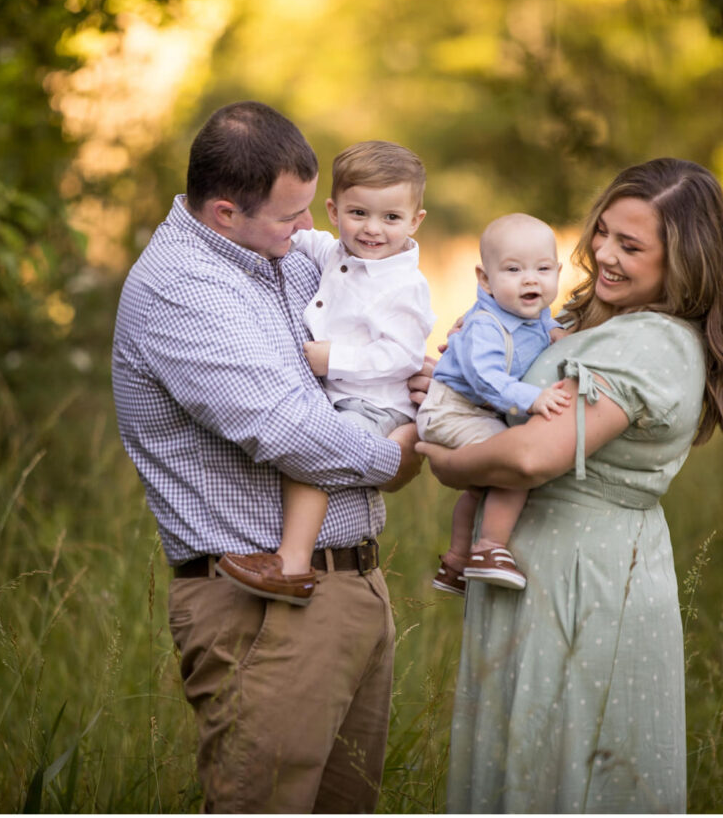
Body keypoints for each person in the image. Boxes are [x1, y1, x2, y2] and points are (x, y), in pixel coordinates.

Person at [110, 102, 427, 812]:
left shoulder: (278, 253)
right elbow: (288, 430)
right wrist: (401, 445)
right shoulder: (183, 288)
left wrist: (422, 384)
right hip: (263, 608)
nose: (308, 229)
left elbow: (373, 334)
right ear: (225, 212)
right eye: (291, 216)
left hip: (351, 586)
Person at [420, 158, 723, 812]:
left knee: (563, 771)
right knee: (527, 764)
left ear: (686, 262)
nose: (603, 253)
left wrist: (446, 461)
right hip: (542, 567)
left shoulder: (651, 343)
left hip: (583, 581)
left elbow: (530, 458)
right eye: (603, 232)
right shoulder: (603, 324)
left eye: (631, 246)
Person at [211, 140, 435, 607]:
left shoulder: (404, 286)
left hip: (376, 404)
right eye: (359, 213)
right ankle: (294, 557)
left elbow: (402, 355)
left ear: (415, 221)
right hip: (345, 399)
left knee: (312, 461)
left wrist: (333, 359)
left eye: (391, 218)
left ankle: (291, 564)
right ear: (333, 211)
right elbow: (294, 238)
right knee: (314, 451)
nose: (373, 229)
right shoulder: (334, 251)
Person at [414, 212, 577, 594]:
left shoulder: (534, 313)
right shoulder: (486, 325)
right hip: (453, 409)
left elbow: (542, 320)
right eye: (514, 269)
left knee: (479, 488)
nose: (530, 279)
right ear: (485, 279)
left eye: (542, 269)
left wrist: (555, 330)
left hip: (470, 411)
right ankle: (489, 548)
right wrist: (532, 398)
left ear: (557, 271)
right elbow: (486, 379)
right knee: (510, 464)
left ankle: (455, 562)